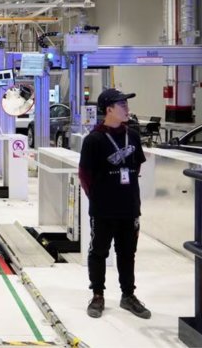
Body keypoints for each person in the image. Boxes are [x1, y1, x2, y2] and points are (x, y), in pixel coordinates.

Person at [78, 88, 151, 320]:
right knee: (99, 251)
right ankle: (97, 295)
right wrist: (99, 197)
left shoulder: (134, 136)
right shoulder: (94, 140)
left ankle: (128, 295)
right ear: (109, 110)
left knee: (127, 252)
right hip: (103, 208)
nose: (127, 108)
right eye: (122, 105)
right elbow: (84, 175)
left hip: (129, 206)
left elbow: (136, 167)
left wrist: (125, 193)